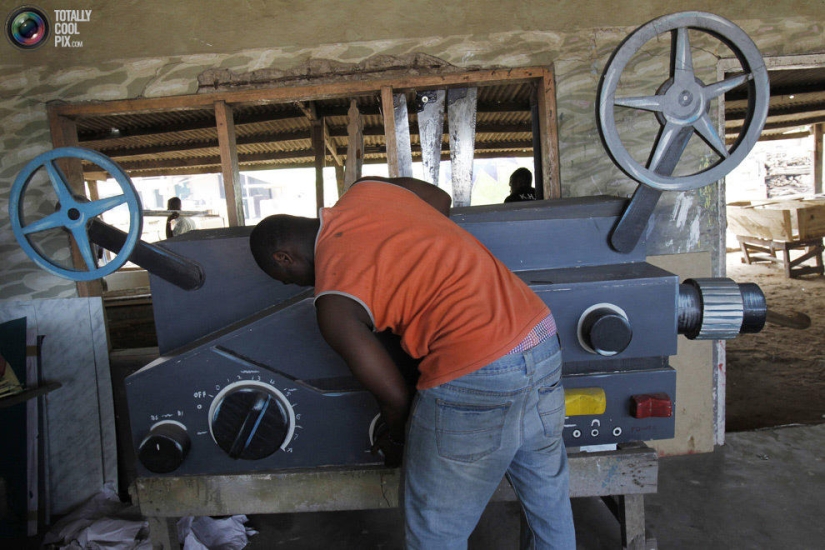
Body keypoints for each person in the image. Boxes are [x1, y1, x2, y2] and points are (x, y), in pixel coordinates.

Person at [249, 176, 575, 549]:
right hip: (540, 337)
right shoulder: (367, 190)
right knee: (547, 505)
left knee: (436, 532)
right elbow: (440, 198)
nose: (299, 286)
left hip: (473, 373)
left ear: (284, 257)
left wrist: (397, 438)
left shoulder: (334, 304)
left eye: (287, 280)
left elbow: (394, 397)